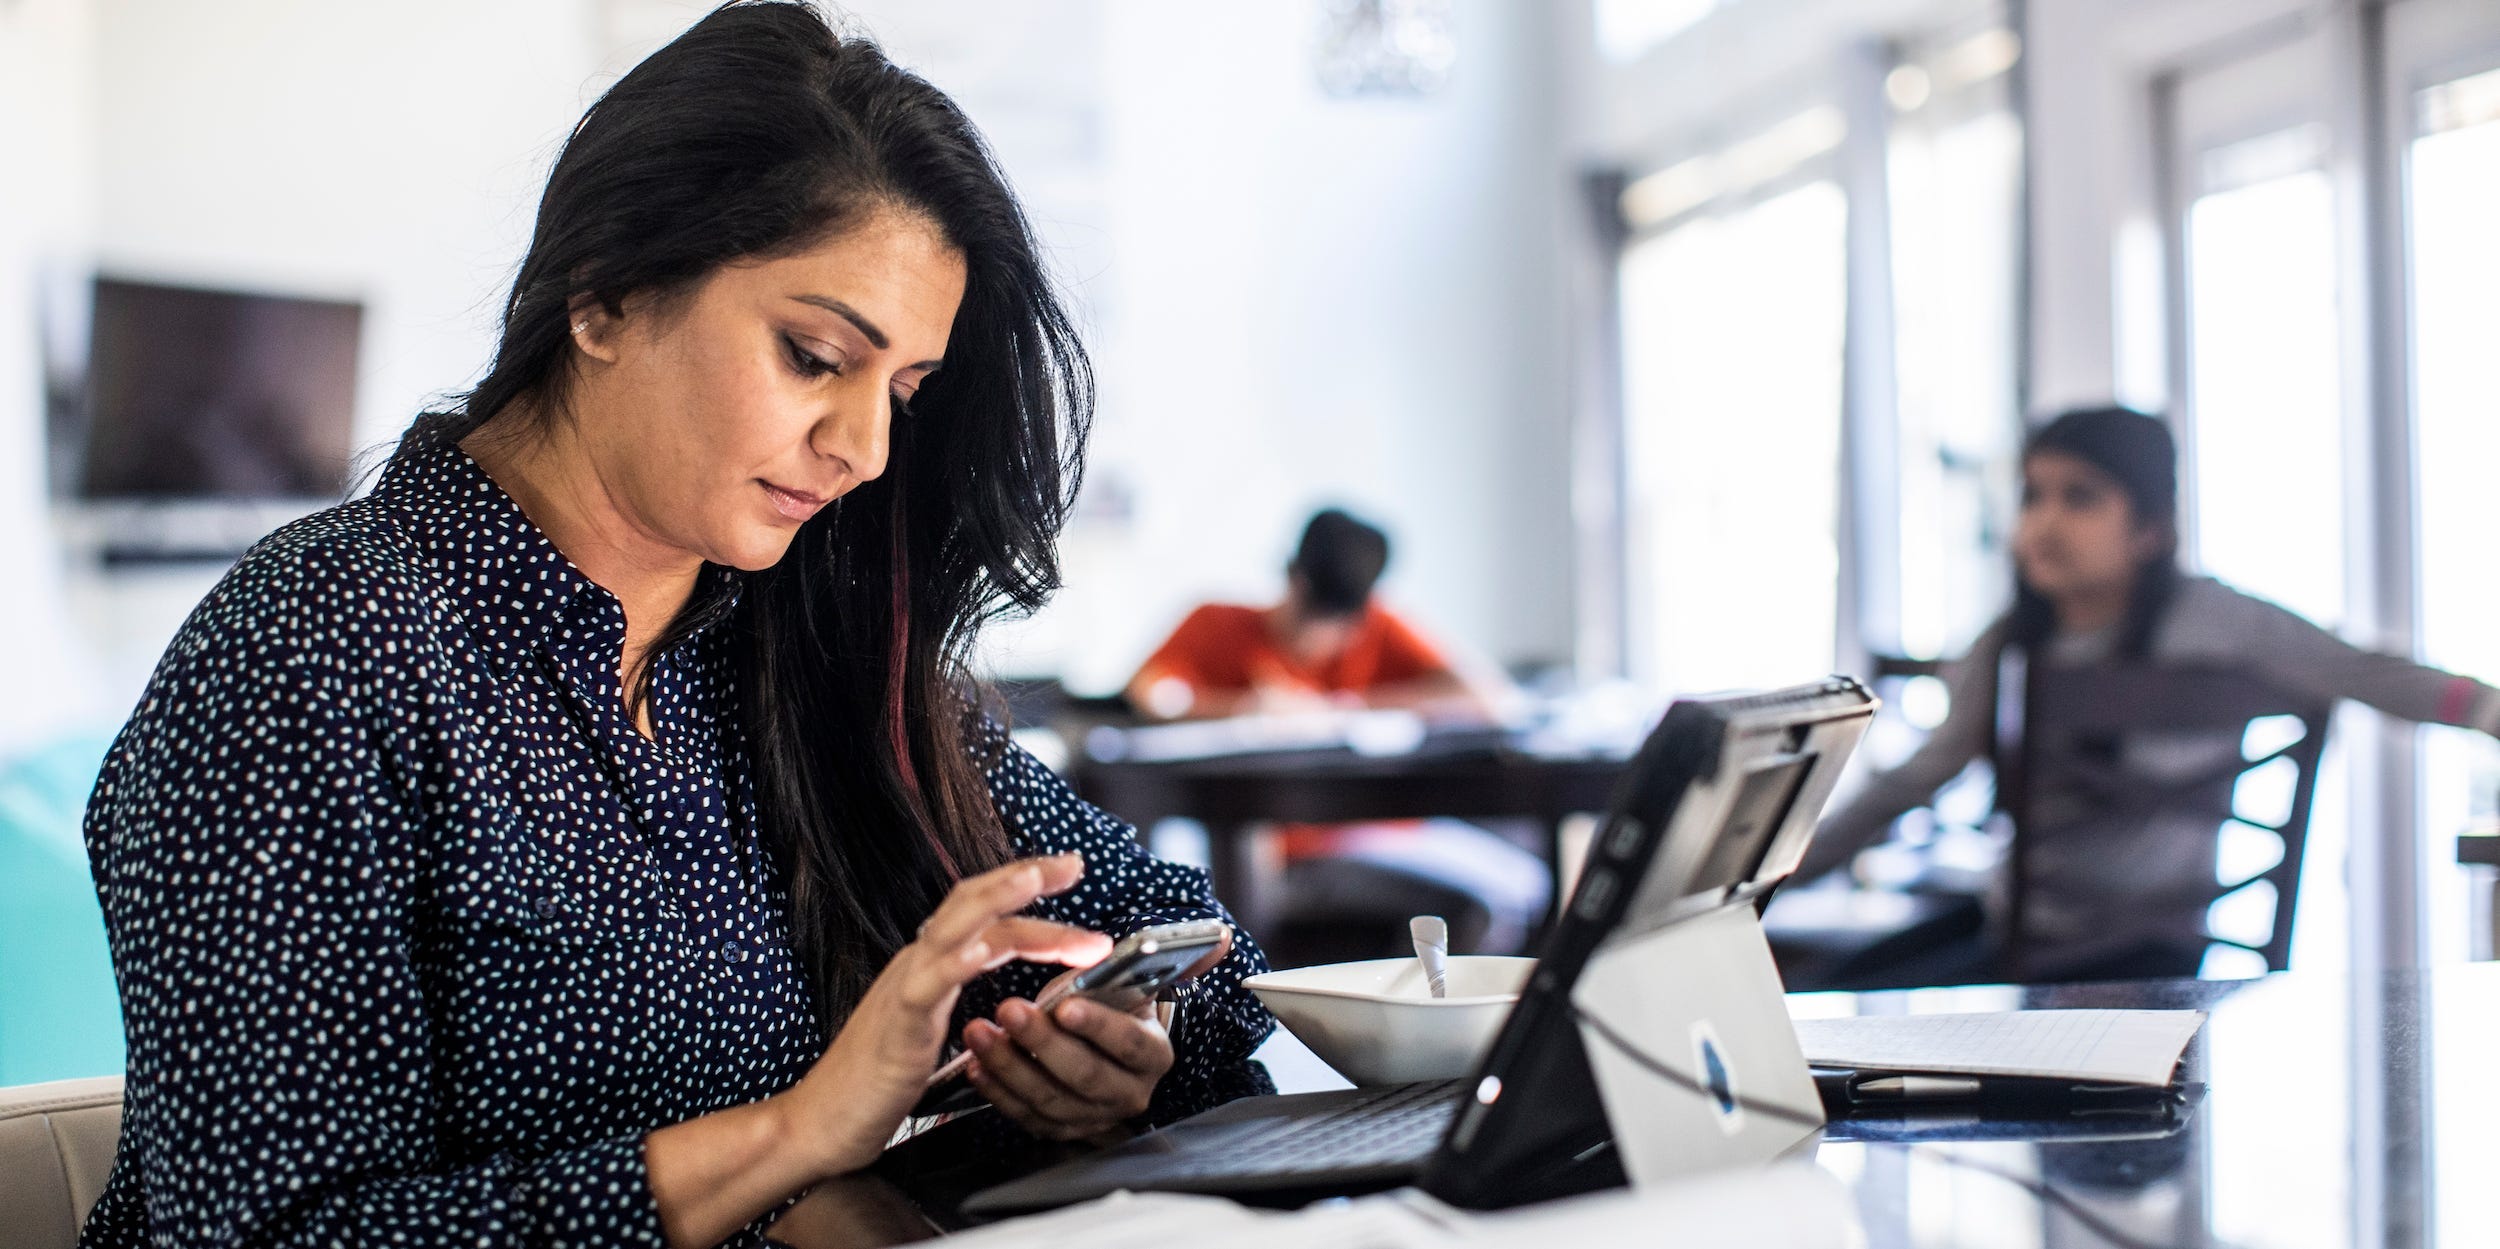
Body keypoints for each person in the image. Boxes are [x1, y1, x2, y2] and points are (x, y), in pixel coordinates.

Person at [76, 7, 1273, 1248]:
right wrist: (794, 1142)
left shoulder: (783, 652)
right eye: (814, 356)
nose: (863, 450)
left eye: (902, 394)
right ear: (603, 298)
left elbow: (1190, 950)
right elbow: (275, 1236)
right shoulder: (314, 650)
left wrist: (1114, 1057)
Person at [1798, 406, 2500, 983]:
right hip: (2041, 947)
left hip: (2101, 962)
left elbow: (2367, 673)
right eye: (2032, 495)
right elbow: (1913, 780)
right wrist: (1783, 868)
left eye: (2080, 497)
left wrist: (2483, 708)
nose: (2043, 523)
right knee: (1830, 984)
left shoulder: (2215, 621)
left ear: (2151, 528)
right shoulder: (2007, 641)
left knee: (1828, 1003)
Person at [1125, 509, 1550, 957]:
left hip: (1382, 829)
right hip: (1281, 849)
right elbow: (1149, 694)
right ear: (1292, 580)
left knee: (1524, 888)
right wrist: (1245, 709)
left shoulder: (1378, 627)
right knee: (1493, 899)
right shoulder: (1216, 623)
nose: (1320, 638)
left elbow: (1488, 700)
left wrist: (1339, 710)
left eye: (1338, 625)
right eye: (1311, 617)